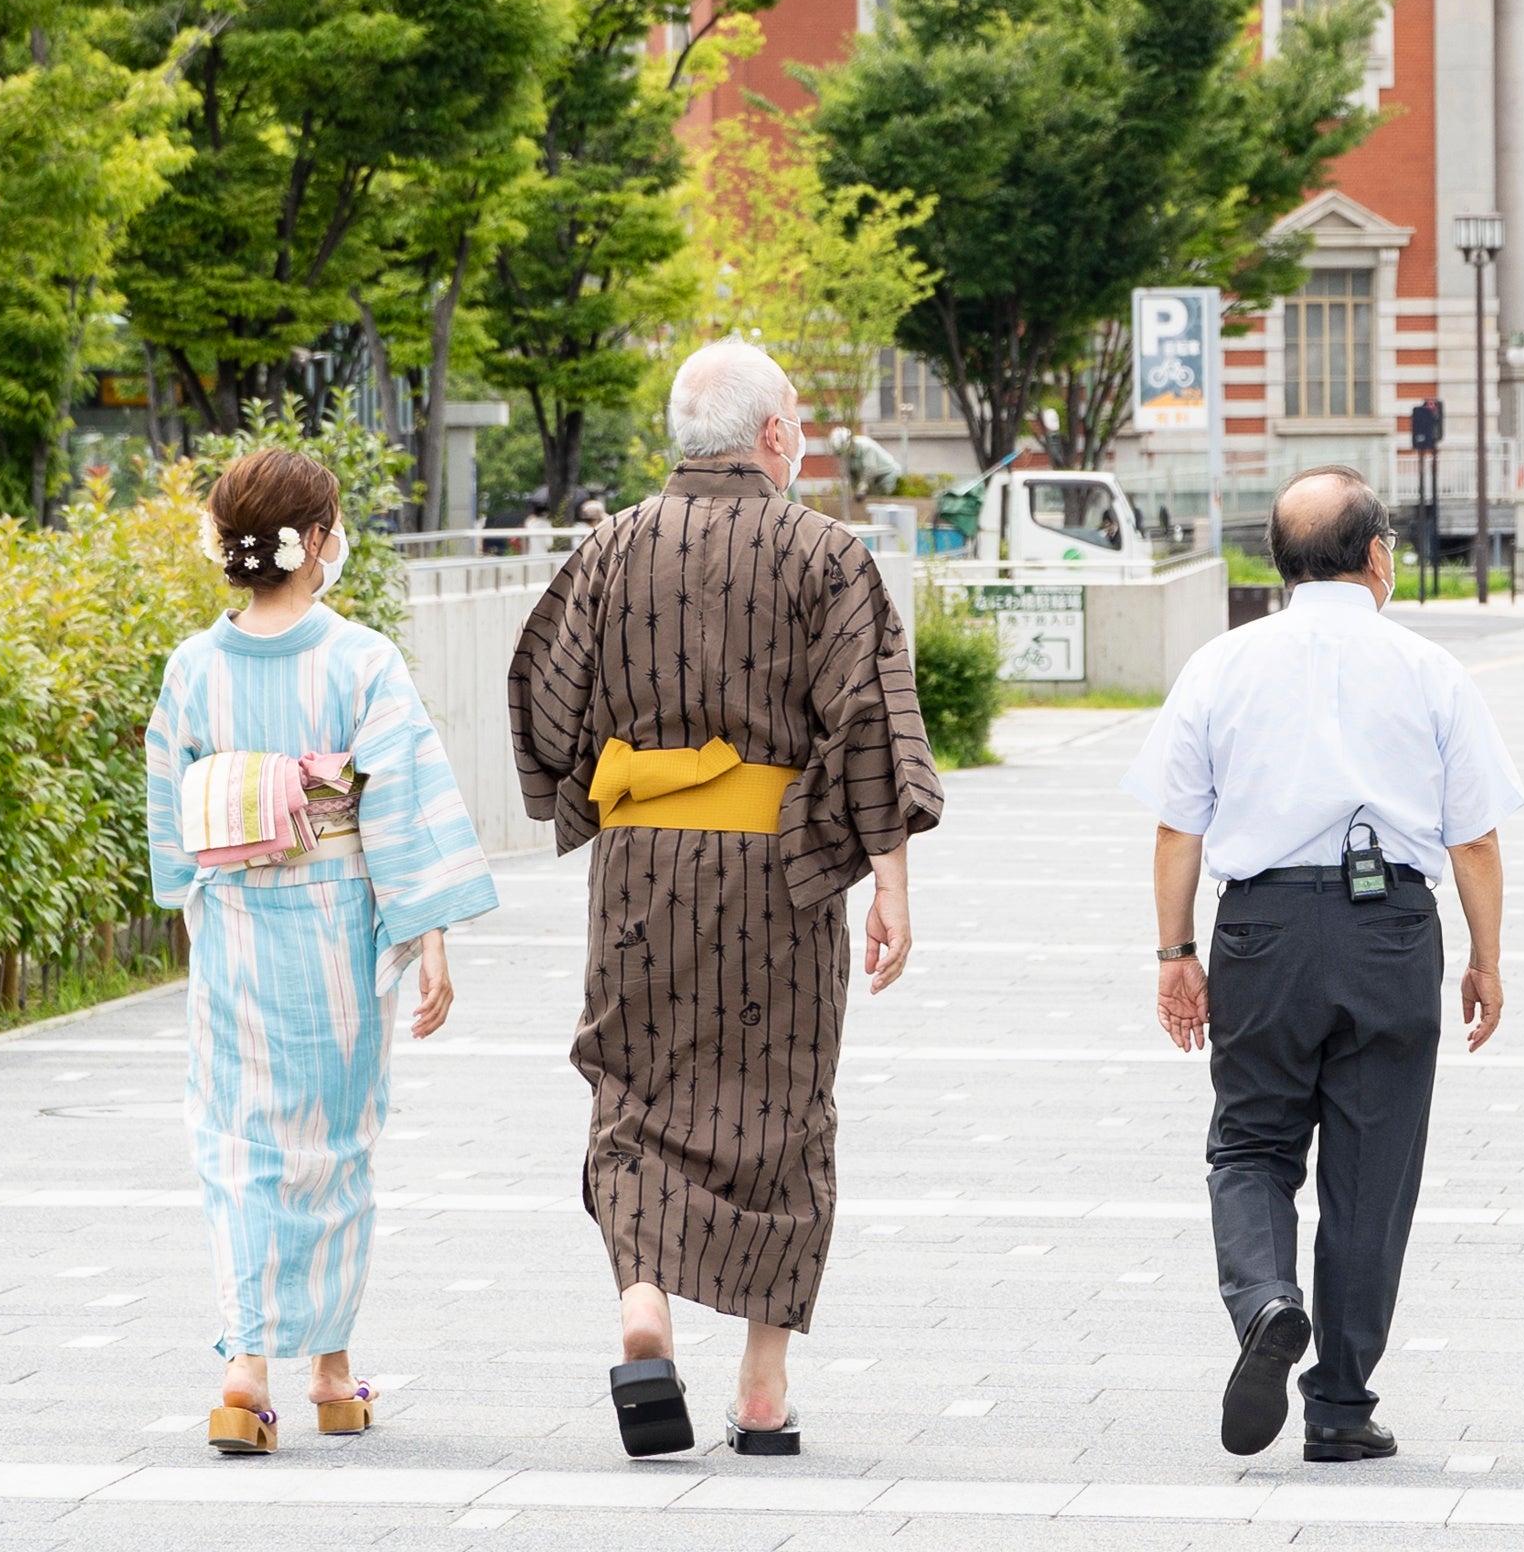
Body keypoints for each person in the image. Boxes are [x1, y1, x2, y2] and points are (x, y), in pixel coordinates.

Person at [506, 339, 942, 1461]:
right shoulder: (826, 553)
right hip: (777, 874)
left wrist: (593, 793)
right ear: (775, 437)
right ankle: (761, 1382)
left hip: (641, 869)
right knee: (783, 1103)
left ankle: (643, 1295)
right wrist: (889, 880)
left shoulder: (610, 548)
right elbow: (871, 726)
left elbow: (545, 698)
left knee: (634, 1087)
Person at [1129, 468, 1524, 1464]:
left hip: (1260, 928)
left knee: (1252, 1144)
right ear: (1378, 557)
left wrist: (1177, 953)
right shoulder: (1430, 670)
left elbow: (1180, 828)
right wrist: (1485, 960)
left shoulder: (1222, 665)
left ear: (1281, 562)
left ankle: (1267, 1299)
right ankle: (1342, 1408)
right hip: (1390, 928)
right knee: (1371, 1179)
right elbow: (1474, 839)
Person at [145, 446, 501, 1459]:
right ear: (322, 544)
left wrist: (196, 906)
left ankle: (243, 1370)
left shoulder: (192, 667)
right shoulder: (360, 661)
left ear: (229, 546)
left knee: (240, 1144)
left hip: (234, 929)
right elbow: (397, 802)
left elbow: (176, 820)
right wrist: (426, 936)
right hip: (336, 921)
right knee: (336, 1146)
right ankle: (332, 1373)